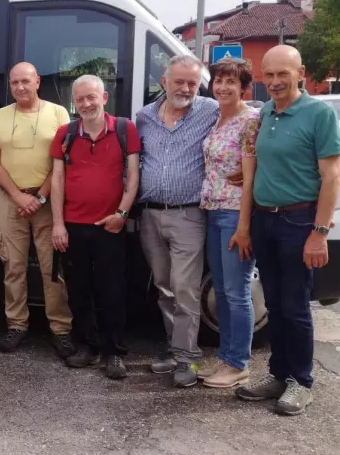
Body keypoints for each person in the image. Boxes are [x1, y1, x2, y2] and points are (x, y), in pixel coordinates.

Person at [235, 45, 340, 416]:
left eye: (284, 74)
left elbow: (331, 176)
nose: (276, 82)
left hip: (299, 221)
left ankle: (302, 381)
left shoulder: (319, 114)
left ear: (301, 72)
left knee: (295, 307)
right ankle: (278, 374)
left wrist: (319, 232)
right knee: (275, 305)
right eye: (270, 74)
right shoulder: (266, 111)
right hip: (265, 219)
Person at [49, 75, 141, 380]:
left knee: (112, 291)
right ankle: (86, 346)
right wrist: (58, 224)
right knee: (77, 290)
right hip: (73, 226)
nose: (86, 104)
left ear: (104, 97)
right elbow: (58, 180)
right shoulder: (65, 133)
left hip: (110, 226)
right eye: (79, 100)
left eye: (91, 97)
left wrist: (122, 214)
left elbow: (132, 175)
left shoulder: (125, 130)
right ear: (73, 103)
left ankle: (114, 352)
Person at [136, 54, 219, 388]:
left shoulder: (210, 111)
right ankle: (174, 348)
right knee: (164, 286)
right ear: (164, 81)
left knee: (185, 287)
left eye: (192, 83)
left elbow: (244, 120)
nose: (186, 88)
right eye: (179, 81)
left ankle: (188, 358)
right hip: (151, 214)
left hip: (188, 213)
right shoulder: (144, 117)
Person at [0, 62, 74, 357]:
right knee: (12, 265)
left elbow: (62, 161)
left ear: (37, 81)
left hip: (49, 200)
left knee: (53, 269)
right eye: (14, 83)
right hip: (11, 200)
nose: (20, 87)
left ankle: (60, 329)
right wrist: (18, 196)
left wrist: (41, 197)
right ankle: (16, 325)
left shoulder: (58, 113)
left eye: (25, 81)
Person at [197, 58, 260, 389]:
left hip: (236, 214)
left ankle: (239, 364)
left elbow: (249, 180)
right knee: (221, 291)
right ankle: (226, 357)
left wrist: (244, 227)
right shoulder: (219, 119)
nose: (222, 87)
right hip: (213, 211)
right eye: (218, 81)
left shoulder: (250, 121)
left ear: (243, 88)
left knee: (237, 292)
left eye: (230, 82)